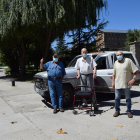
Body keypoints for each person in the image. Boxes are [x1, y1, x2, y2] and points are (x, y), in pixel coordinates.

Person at [112, 50, 138, 118]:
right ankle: (117, 111)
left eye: (120, 54)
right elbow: (114, 74)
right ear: (116, 56)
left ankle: (129, 111)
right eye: (117, 55)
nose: (119, 56)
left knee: (128, 98)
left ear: (123, 55)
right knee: (117, 98)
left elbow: (136, 71)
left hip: (126, 84)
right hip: (117, 83)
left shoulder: (128, 61)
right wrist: (113, 82)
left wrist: (133, 79)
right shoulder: (115, 62)